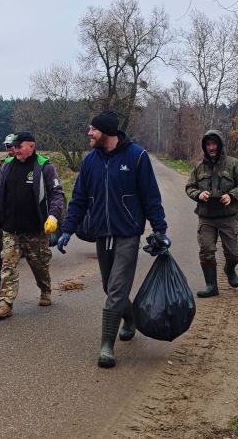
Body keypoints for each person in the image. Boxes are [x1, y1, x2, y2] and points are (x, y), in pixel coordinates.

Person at [56, 111, 170, 369]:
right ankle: (129, 319)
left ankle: (106, 345)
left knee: (117, 288)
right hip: (102, 233)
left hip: (128, 233)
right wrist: (67, 229)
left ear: (106, 131)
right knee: (110, 287)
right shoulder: (89, 162)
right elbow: (79, 199)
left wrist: (160, 229)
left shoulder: (136, 157)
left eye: (92, 129)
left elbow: (151, 197)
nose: (89, 134)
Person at [0, 131, 65, 319]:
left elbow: (57, 194)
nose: (15, 150)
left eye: (19, 146)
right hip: (10, 227)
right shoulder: (7, 166)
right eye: (13, 147)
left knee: (39, 264)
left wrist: (53, 216)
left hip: (35, 228)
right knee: (8, 264)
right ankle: (5, 303)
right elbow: (0, 196)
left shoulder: (44, 166)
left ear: (31, 146)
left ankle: (45, 289)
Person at [185, 130, 238, 298]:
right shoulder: (199, 167)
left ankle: (230, 269)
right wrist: (198, 194)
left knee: (233, 253)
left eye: (214, 144)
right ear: (205, 146)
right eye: (208, 144)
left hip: (228, 216)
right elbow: (190, 187)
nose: (211, 147)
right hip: (206, 217)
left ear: (220, 145)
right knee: (206, 250)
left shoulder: (233, 164)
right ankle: (211, 286)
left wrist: (232, 195)